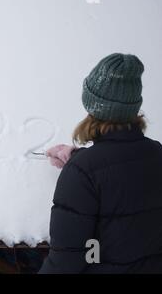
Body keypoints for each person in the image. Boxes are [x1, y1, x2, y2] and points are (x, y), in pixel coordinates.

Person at [39, 53, 162, 274]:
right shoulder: (157, 153)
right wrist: (77, 157)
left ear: (93, 105)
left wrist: (80, 166)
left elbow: (66, 260)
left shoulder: (82, 172)